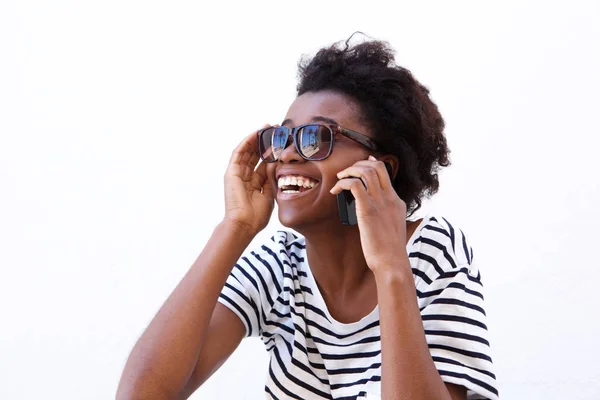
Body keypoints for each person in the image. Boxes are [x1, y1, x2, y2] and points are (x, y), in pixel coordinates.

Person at [117, 36, 498, 400]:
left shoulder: (433, 251)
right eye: (282, 137)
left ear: (381, 167)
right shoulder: (280, 266)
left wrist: (391, 268)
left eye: (315, 137)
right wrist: (236, 226)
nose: (286, 155)